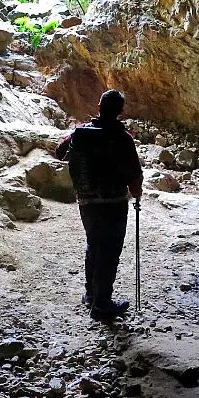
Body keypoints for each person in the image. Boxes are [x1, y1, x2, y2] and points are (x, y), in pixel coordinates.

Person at [55, 89, 143, 321]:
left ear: (99, 106)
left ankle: (91, 294)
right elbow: (134, 173)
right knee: (110, 250)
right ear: (120, 111)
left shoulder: (80, 133)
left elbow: (59, 151)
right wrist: (137, 195)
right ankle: (102, 303)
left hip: (86, 200)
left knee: (94, 245)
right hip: (113, 202)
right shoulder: (123, 138)